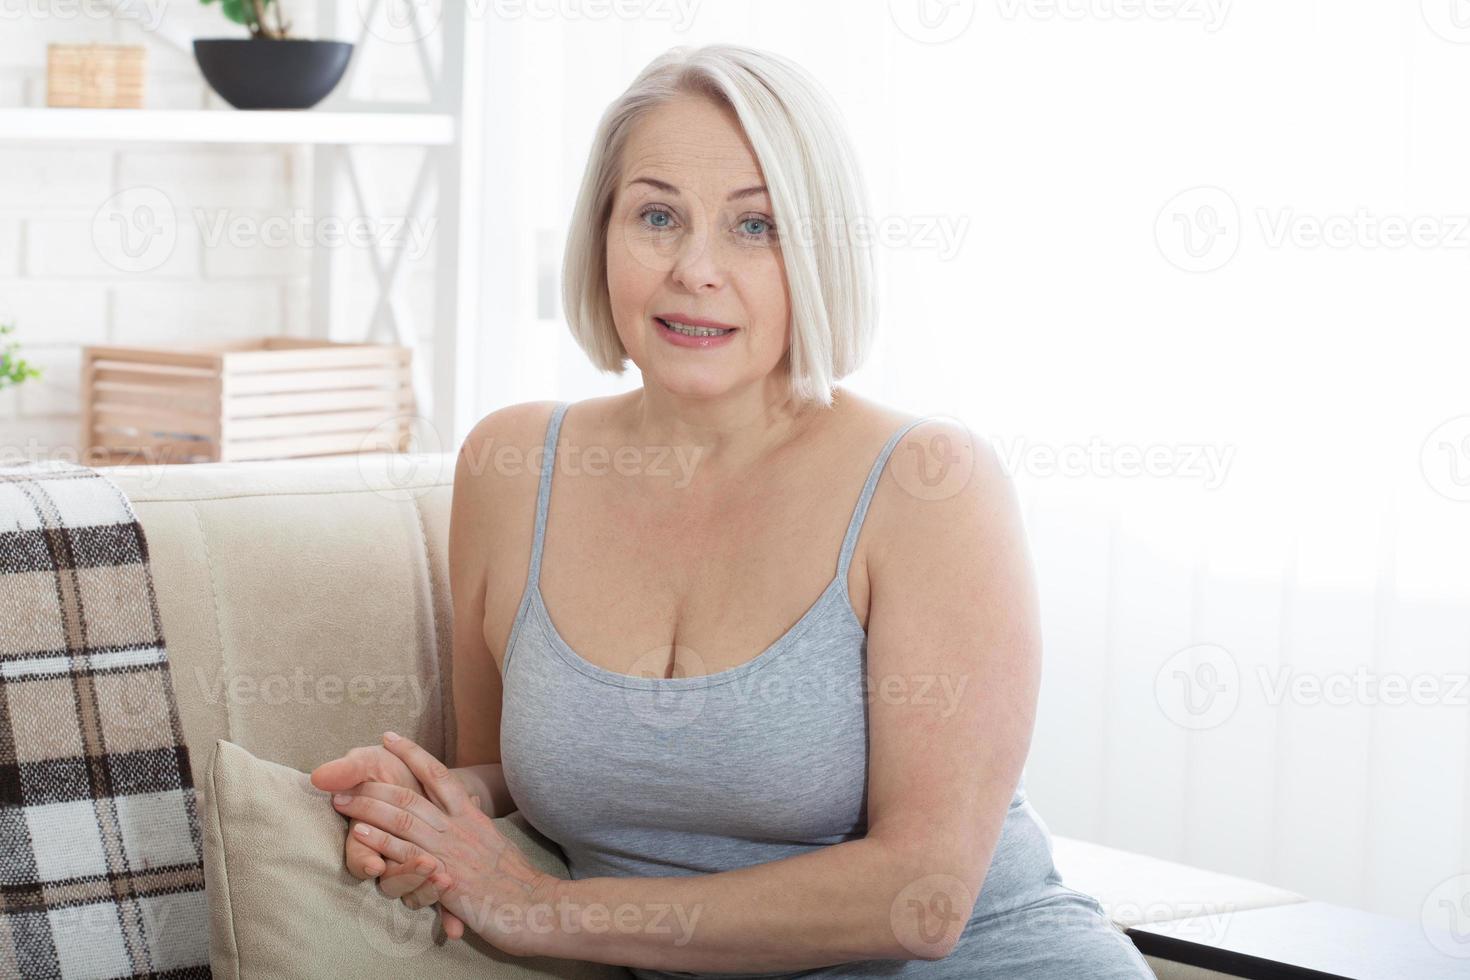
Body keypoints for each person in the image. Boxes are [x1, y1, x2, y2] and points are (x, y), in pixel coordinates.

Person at [310, 42, 1156, 979]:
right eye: (658, 216)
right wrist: (430, 805)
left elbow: (922, 898)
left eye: (756, 227)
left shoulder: (930, 483)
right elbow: (523, 776)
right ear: (601, 234)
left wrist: (547, 910)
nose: (695, 269)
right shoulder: (510, 468)